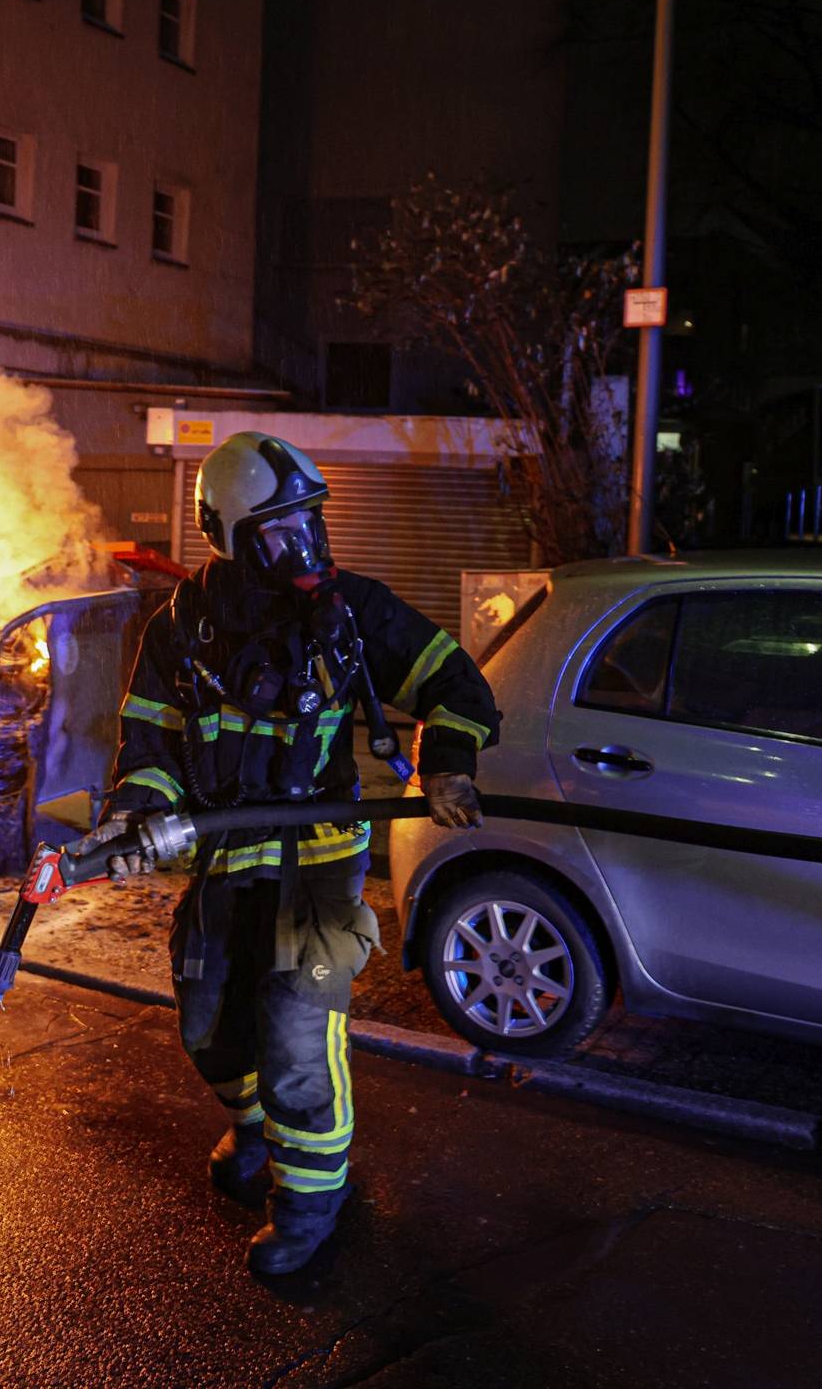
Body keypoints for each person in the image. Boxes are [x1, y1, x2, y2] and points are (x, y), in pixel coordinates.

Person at [85, 431, 500, 1276]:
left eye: (310, 522)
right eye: (280, 530)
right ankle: (254, 1129)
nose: (304, 544)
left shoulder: (353, 612)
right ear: (230, 538)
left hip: (318, 864)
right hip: (222, 860)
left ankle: (310, 1204)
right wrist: (138, 815)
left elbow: (458, 685)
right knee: (208, 1025)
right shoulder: (181, 631)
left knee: (298, 1036)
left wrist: (448, 764)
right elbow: (148, 744)